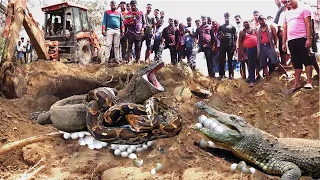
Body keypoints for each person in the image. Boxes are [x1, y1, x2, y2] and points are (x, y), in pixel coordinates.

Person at [282, 0, 313, 92]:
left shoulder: (304, 9)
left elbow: (308, 24)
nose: (289, 2)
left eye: (290, 0)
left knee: (306, 59)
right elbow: (285, 29)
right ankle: (297, 83)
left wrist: (309, 39)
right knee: (296, 61)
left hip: (302, 38)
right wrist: (284, 42)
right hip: (291, 41)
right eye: (287, 1)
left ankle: (309, 82)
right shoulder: (286, 14)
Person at [257, 15, 289, 82]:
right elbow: (259, 40)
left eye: (262, 20)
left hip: (270, 46)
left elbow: (275, 37)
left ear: (265, 19)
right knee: (264, 64)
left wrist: (276, 48)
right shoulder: (258, 29)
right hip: (262, 47)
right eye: (259, 21)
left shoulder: (271, 27)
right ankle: (268, 79)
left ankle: (286, 74)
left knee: (276, 62)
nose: (261, 22)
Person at [217, 12, 237, 80]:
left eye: (227, 17)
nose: (226, 18)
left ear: (229, 18)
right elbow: (218, 36)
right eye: (225, 17)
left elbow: (235, 37)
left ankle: (230, 75)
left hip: (230, 45)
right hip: (222, 45)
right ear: (224, 18)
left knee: (230, 60)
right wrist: (221, 36)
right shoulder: (221, 27)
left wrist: (234, 46)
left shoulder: (232, 26)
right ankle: (221, 75)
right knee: (221, 60)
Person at [238, 20, 258, 87]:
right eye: (244, 22)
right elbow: (240, 42)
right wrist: (241, 51)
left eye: (247, 22)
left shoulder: (254, 30)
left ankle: (256, 77)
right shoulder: (242, 32)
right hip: (249, 50)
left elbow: (259, 38)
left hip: (257, 49)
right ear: (243, 24)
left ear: (250, 23)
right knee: (250, 64)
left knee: (257, 63)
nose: (246, 23)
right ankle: (251, 80)